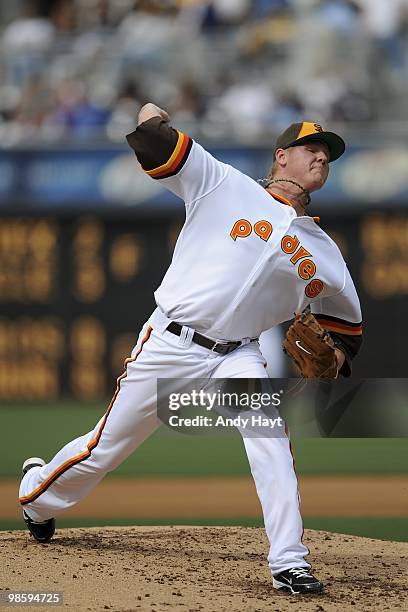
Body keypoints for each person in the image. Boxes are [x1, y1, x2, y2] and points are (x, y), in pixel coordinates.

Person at [19, 104, 363, 595]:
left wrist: (337, 359)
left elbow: (347, 331)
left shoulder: (324, 251)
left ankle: (289, 561)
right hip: (170, 344)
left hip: (238, 355)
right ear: (280, 157)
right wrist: (151, 112)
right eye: (312, 149)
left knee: (270, 438)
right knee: (103, 450)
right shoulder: (223, 184)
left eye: (328, 155)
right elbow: (154, 138)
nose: (321, 159)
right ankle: (36, 497)